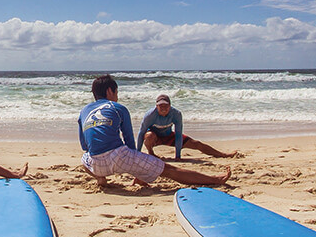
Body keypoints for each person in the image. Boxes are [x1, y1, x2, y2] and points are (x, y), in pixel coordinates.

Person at [78, 75, 231, 188]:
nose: (117, 96)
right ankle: (216, 180)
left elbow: (85, 146)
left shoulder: (83, 111)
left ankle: (100, 179)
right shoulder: (118, 108)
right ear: (110, 91)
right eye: (116, 92)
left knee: (84, 158)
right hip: (119, 157)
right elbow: (129, 141)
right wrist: (138, 170)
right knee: (169, 170)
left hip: (95, 164)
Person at [137, 94, 240, 159]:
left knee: (197, 144)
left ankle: (222, 155)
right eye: (160, 106)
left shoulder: (176, 114)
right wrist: (137, 153)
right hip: (154, 137)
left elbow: (178, 134)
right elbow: (141, 133)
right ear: (156, 106)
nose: (163, 108)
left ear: (170, 106)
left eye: (166, 106)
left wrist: (178, 156)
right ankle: (151, 153)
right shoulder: (150, 115)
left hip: (168, 136)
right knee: (149, 135)